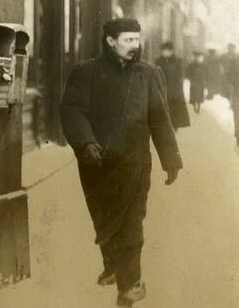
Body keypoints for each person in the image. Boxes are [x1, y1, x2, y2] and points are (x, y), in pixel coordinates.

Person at [61, 18, 182, 306]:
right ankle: (113, 264)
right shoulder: (85, 72)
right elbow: (72, 110)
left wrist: (171, 159)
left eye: (137, 40)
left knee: (131, 223)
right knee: (103, 218)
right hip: (97, 162)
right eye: (128, 40)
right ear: (111, 42)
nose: (134, 46)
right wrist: (86, 143)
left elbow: (160, 118)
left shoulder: (149, 74)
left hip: (135, 163)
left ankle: (129, 284)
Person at [154, 41, 190, 130]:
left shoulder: (177, 61)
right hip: (162, 88)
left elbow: (180, 75)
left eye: (167, 50)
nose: (165, 52)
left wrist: (176, 85)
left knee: (174, 108)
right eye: (163, 50)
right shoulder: (158, 61)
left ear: (171, 51)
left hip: (175, 89)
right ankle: (165, 125)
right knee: (164, 108)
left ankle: (175, 125)